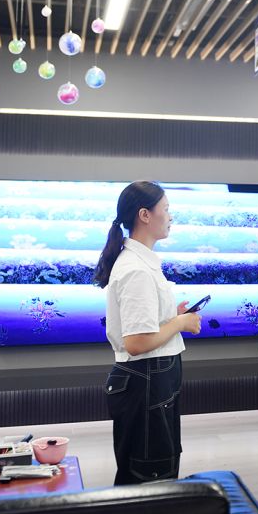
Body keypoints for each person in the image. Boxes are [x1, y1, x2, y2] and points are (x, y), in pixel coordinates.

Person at [93, 181, 201, 485]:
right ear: (144, 214)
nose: (170, 216)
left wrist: (173, 316)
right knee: (150, 476)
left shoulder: (140, 263)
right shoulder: (136, 268)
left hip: (153, 380)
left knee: (155, 467)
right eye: (166, 209)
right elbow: (137, 342)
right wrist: (180, 323)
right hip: (147, 379)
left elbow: (145, 327)